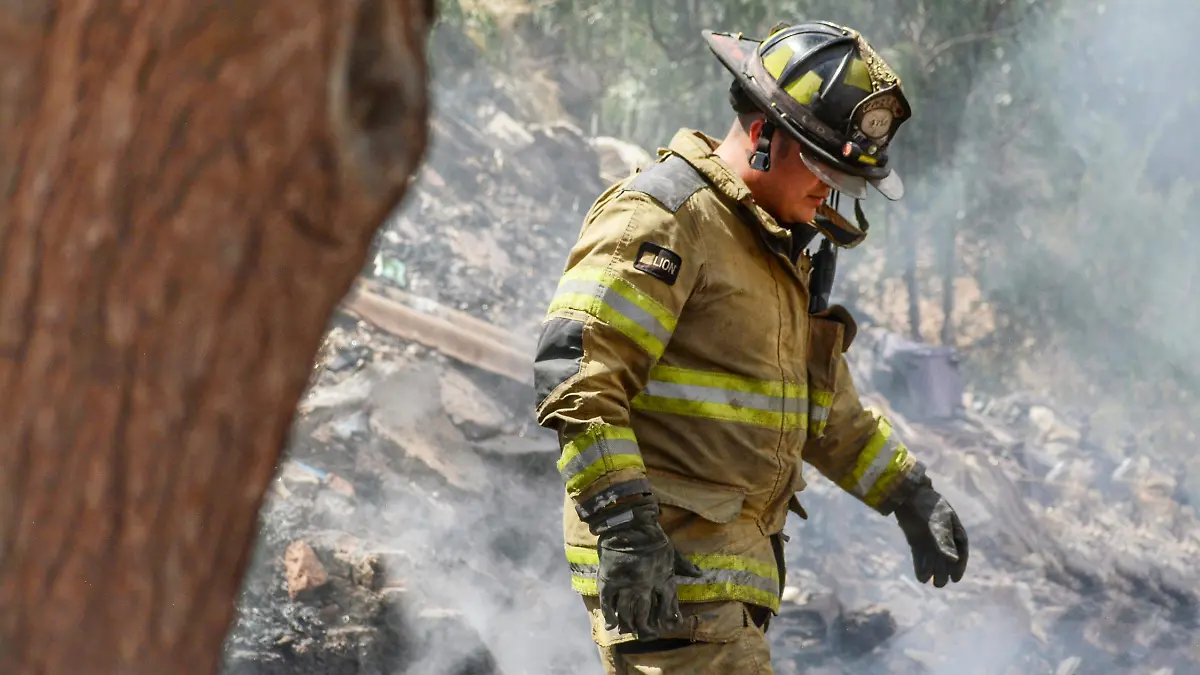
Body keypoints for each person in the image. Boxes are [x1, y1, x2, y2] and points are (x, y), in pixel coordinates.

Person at [533, 20, 969, 674]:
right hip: (666, 581)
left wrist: (909, 493)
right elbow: (579, 374)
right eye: (822, 169)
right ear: (764, 135)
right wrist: (625, 527)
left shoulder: (775, 251)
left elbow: (827, 413)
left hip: (718, 591)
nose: (828, 192)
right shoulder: (668, 218)